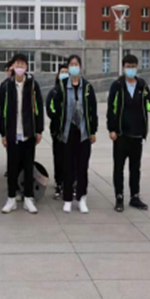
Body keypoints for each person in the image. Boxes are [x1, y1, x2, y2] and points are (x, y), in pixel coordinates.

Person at [107, 54, 150, 212]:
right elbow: (111, 109)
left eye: (133, 66)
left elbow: (148, 104)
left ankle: (135, 196)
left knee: (135, 168)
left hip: (137, 135)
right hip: (121, 135)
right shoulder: (117, 85)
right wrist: (112, 129)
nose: (130, 69)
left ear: (136, 67)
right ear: (123, 67)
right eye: (128, 66)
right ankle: (119, 197)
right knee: (118, 168)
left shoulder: (141, 85)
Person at [49, 54, 98, 214]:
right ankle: (68, 199)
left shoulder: (88, 87)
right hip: (67, 133)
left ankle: (82, 198)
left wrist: (93, 131)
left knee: (82, 168)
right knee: (68, 167)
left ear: (80, 67)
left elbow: (93, 111)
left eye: (76, 64)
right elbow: (54, 108)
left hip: (83, 133)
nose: (74, 67)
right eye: (71, 64)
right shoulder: (62, 87)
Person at [0, 53, 44, 214]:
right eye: (17, 64)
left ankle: (28, 198)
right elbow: (2, 111)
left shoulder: (33, 85)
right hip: (12, 133)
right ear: (13, 66)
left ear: (26, 67)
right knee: (12, 167)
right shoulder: (6, 86)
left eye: (22, 64)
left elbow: (38, 108)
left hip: (28, 133)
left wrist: (39, 130)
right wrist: (3, 133)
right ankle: (11, 198)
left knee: (28, 166)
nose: (20, 67)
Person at [46, 64, 69, 200]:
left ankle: (70, 182)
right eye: (62, 72)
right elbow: (50, 110)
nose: (64, 74)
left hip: (71, 131)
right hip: (57, 131)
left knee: (70, 158)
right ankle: (59, 182)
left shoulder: (74, 90)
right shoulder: (54, 92)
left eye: (67, 71)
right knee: (58, 157)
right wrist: (61, 115)